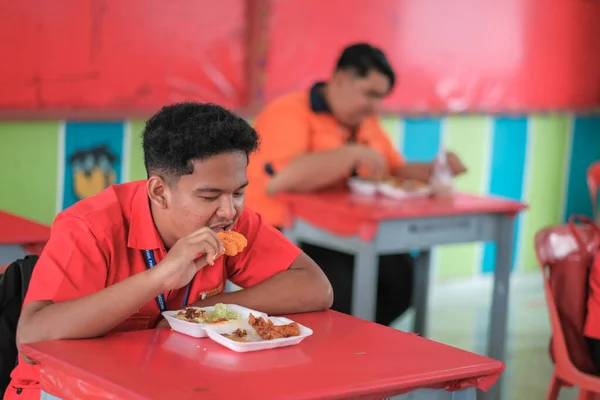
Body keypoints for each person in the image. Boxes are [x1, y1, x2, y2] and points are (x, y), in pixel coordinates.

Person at [6, 103, 333, 400]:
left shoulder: (230, 222)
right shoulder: (90, 228)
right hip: (65, 390)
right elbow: (33, 337)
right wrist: (157, 279)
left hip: (170, 384)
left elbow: (315, 287)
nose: (227, 210)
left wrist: (205, 310)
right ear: (160, 192)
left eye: (238, 193)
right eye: (209, 196)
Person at [247, 43, 466, 326]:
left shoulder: (364, 120)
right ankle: (341, 345)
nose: (374, 106)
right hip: (284, 232)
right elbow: (281, 181)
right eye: (370, 94)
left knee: (401, 276)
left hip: (341, 227)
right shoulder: (288, 113)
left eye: (380, 97)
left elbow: (392, 168)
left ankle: (360, 338)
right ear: (340, 79)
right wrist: (351, 154)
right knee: (340, 290)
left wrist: (436, 169)